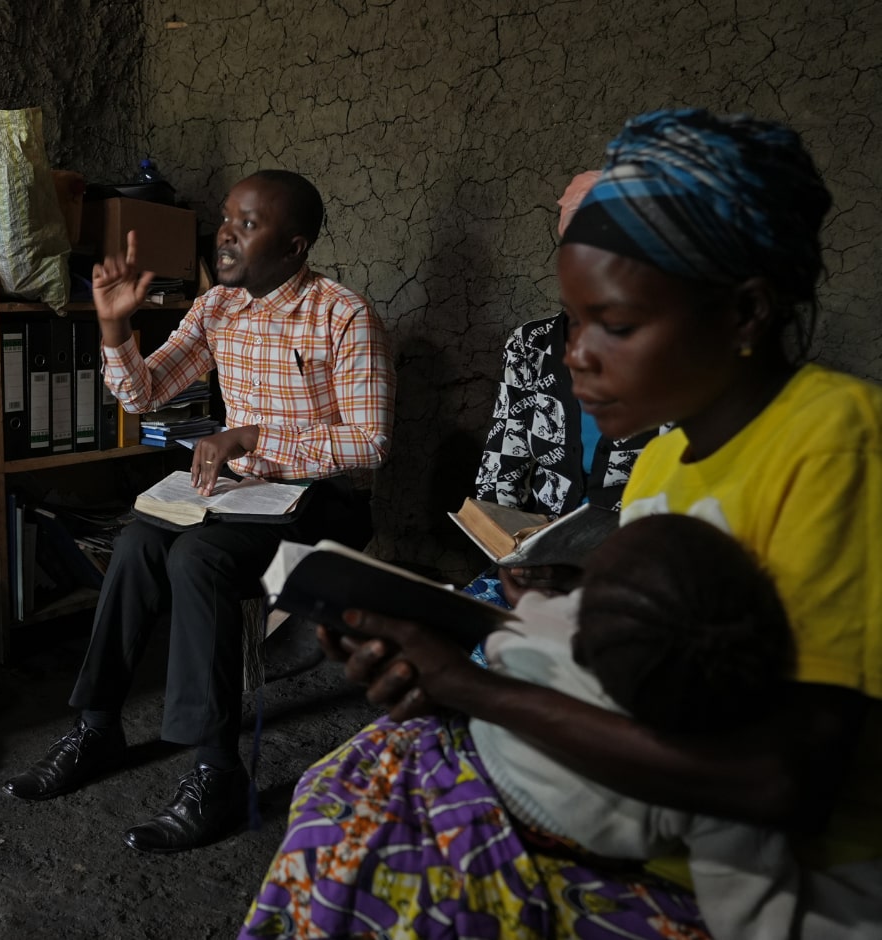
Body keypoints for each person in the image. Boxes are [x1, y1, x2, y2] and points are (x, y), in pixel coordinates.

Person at [240, 110, 882, 938]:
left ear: (745, 313)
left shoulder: (838, 445)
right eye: (574, 321)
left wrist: (472, 686)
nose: (576, 354)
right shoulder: (669, 455)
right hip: (624, 805)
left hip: (731, 873)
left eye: (615, 325)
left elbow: (785, 781)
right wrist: (458, 639)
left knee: (360, 843)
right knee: (351, 783)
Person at [4, 170, 396, 853]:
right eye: (227, 219)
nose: (227, 234)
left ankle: (217, 773)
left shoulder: (343, 314)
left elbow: (370, 444)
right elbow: (145, 394)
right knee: (136, 544)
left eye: (249, 223)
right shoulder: (217, 308)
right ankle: (97, 727)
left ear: (295, 246)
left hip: (323, 502)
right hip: (244, 496)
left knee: (198, 559)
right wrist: (113, 325)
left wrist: (252, 437)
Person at [473, 513, 810, 940]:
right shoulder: (712, 771)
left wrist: (528, 600)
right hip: (561, 864)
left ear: (581, 633)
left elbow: (518, 628)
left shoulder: (551, 634)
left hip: (468, 777)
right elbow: (751, 914)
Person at [466, 170, 663, 610]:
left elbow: (694, 510)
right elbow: (501, 471)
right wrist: (509, 562)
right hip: (540, 565)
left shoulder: (681, 359)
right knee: (454, 635)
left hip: (641, 575)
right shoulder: (531, 346)